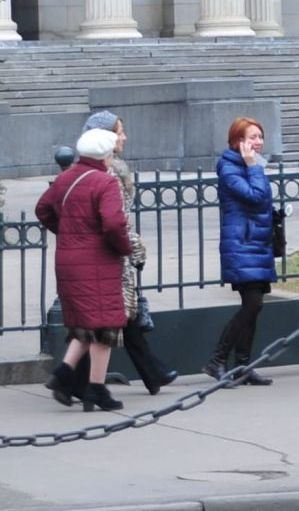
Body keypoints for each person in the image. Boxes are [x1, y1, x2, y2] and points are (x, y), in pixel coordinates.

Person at [37, 128, 135, 410]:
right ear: (106, 154)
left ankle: (64, 374)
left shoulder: (65, 178)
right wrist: (124, 247)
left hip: (68, 260)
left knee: (86, 323)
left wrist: (68, 233)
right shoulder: (104, 182)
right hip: (97, 261)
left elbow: (42, 210)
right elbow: (114, 224)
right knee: (106, 327)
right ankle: (95, 389)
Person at [89, 111, 177, 395]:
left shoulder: (107, 168)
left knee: (124, 318)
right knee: (113, 320)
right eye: (119, 132)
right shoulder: (109, 171)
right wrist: (135, 247)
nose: (124, 137)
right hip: (111, 256)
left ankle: (154, 373)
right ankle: (71, 379)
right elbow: (116, 221)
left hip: (110, 255)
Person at [202, 117, 276, 386]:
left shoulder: (248, 166)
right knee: (251, 304)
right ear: (237, 142)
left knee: (254, 307)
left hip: (256, 243)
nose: (258, 142)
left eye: (260, 136)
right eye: (252, 137)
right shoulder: (230, 168)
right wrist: (253, 166)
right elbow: (255, 196)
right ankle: (217, 360)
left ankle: (244, 365)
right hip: (242, 244)